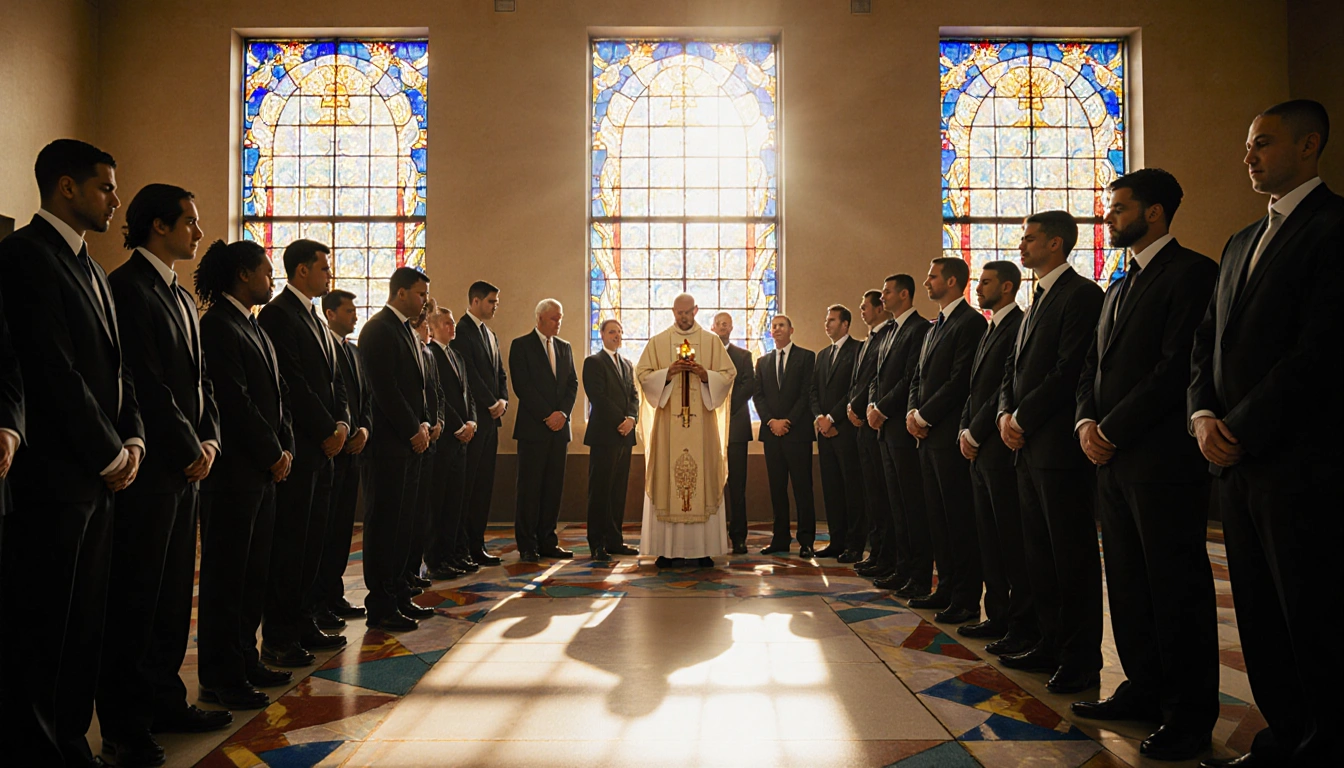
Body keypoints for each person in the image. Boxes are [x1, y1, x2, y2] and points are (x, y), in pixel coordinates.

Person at [1189, 100, 1342, 768]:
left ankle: (1325, 741)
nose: (1248, 156)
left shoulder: (1335, 227)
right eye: (1248, 145)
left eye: (1263, 144)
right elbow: (1206, 345)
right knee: (1256, 610)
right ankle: (1281, 735)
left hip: (1298, 458)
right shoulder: (1242, 241)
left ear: (1310, 146)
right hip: (1235, 462)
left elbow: (1321, 348)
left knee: (1311, 609)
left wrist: (1242, 425)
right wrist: (1201, 415)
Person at [0, 139, 145, 766]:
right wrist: (107, 451)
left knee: (85, 621)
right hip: (56, 476)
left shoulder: (88, 262)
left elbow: (118, 368)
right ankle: (37, 746)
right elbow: (51, 370)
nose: (116, 198)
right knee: (43, 622)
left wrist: (133, 435)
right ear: (67, 187)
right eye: (106, 187)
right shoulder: (26, 256)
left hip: (99, 475)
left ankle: (67, 738)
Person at [1070, 168, 1220, 761]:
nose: (1109, 217)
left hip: (1161, 460)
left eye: (1119, 208)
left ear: (1154, 213)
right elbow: (1090, 366)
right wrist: (1086, 422)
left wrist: (1111, 427)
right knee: (1129, 583)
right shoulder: (1118, 286)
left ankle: (1188, 713)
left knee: (1174, 587)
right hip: (1111, 460)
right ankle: (1142, 687)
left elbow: (1176, 365)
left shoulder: (1192, 273)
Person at [99, 185, 230, 767]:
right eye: (190, 223)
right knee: (138, 598)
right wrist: (185, 445)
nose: (199, 233)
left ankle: (165, 699)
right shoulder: (128, 288)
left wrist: (209, 438)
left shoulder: (177, 292)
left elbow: (201, 381)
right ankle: (126, 724)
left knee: (176, 597)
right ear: (158, 226)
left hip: (186, 468)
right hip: (152, 469)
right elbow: (145, 383)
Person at [996, 210, 1105, 695]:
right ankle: (1048, 640)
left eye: (1030, 239)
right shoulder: (1034, 297)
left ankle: (1080, 658)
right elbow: (1012, 370)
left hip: (1058, 447)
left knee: (1071, 558)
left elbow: (1068, 370)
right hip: (1026, 447)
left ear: (1057, 244)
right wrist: (1003, 413)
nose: (1022, 247)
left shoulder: (1082, 295)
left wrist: (1022, 417)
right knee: (1038, 555)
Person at [194, 239, 293, 712]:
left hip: (261, 472)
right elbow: (232, 401)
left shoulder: (250, 324)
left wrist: (284, 445)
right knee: (226, 578)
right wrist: (272, 451)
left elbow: (277, 394)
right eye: (267, 272)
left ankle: (245, 658)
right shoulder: (217, 324)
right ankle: (220, 674)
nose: (272, 280)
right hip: (234, 472)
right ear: (242, 274)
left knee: (254, 574)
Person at [257, 239, 349, 667]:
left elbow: (335, 381)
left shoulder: (313, 314)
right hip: (305, 446)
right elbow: (292, 383)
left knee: (315, 541)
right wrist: (327, 429)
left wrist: (343, 424)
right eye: (323, 267)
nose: (329, 274)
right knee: (291, 546)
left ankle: (305, 617)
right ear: (301, 271)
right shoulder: (279, 315)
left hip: (327, 448)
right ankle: (279, 634)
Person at [957, 261, 1035, 654]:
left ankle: (1019, 624)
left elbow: (1002, 390)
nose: (979, 287)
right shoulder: (990, 327)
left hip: (998, 449)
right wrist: (963, 429)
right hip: (978, 448)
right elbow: (974, 389)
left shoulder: (1017, 324)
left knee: (1010, 543)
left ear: (1007, 287)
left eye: (985, 282)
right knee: (989, 540)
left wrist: (976, 429)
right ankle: (998, 616)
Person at [906, 257, 986, 623]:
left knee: (957, 519)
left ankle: (966, 597)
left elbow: (959, 381)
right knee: (937, 517)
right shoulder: (935, 325)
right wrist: (912, 411)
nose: (927, 282)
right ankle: (946, 587)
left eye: (932, 276)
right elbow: (917, 378)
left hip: (946, 435)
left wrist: (925, 415)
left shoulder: (969, 323)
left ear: (952, 281)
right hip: (926, 436)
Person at [634, 293, 736, 568]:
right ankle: (666, 550)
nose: (683, 317)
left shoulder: (712, 342)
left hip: (702, 426)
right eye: (678, 312)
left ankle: (702, 550)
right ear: (673, 312)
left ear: (696, 310)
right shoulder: (658, 342)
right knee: (668, 481)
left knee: (702, 481)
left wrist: (705, 376)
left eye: (687, 312)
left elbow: (728, 374)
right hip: (669, 425)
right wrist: (667, 374)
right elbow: (642, 374)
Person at [360, 267, 434, 632]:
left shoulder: (405, 329)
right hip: (389, 445)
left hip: (410, 443)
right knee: (386, 524)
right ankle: (381, 604)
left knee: (405, 524)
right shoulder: (378, 329)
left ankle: (400, 594)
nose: (424, 302)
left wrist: (422, 425)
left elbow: (416, 388)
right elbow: (384, 388)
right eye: (420, 294)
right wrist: (411, 428)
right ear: (401, 292)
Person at [866, 275, 931, 597]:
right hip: (885, 429)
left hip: (901, 430)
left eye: (887, 291)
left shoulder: (919, 328)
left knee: (911, 505)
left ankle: (918, 574)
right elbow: (878, 376)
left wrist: (883, 408)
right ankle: (902, 568)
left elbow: (909, 377)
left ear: (904, 295)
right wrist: (873, 405)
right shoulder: (890, 330)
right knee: (896, 506)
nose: (882, 295)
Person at [311, 289, 370, 628]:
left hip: (355, 451)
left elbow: (366, 397)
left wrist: (364, 430)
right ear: (330, 313)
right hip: (331, 452)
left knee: (342, 532)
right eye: (349, 311)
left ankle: (334, 594)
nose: (355, 316)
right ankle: (318, 602)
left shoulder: (355, 351)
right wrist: (341, 431)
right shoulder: (324, 345)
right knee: (324, 532)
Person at [509, 298, 577, 562]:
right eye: (553, 318)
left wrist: (563, 414)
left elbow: (572, 383)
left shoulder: (564, 347)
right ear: (539, 319)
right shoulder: (521, 345)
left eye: (560, 318)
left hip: (559, 430)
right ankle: (527, 544)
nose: (558, 322)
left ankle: (548, 540)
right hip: (533, 429)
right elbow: (522, 386)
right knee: (529, 488)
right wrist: (547, 415)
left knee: (553, 488)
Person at [451, 281, 508, 567]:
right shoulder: (461, 331)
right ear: (475, 301)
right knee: (469, 486)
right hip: (475, 418)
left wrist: (504, 400)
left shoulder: (490, 334)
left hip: (492, 419)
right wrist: (490, 402)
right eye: (490, 301)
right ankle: (462, 547)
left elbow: (500, 372)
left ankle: (478, 544)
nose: (495, 306)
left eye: (496, 301)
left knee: (484, 485)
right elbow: (469, 374)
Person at [754, 315, 817, 557]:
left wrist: (787, 421)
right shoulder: (763, 361)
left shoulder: (805, 357)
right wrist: (771, 422)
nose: (777, 329)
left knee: (803, 487)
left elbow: (805, 393)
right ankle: (780, 538)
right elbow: (758, 396)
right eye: (774, 326)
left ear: (791, 329)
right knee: (777, 488)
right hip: (772, 434)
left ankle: (806, 540)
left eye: (782, 325)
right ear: (771, 332)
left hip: (797, 433)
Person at [424, 306, 477, 578]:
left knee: (457, 502)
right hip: (445, 439)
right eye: (446, 323)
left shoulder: (457, 356)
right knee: (439, 503)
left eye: (453, 322)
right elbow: (439, 396)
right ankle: (436, 559)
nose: (452, 327)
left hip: (462, 440)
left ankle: (454, 553)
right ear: (432, 328)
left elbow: (468, 396)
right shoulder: (430, 354)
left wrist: (473, 421)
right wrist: (458, 425)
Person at [583, 318, 640, 561]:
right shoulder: (593, 362)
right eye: (612, 332)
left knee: (618, 490)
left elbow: (633, 395)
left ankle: (615, 540)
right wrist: (620, 420)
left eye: (619, 332)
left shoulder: (627, 364)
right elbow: (598, 396)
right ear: (602, 334)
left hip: (625, 436)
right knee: (601, 491)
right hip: (605, 435)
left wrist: (632, 418)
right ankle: (597, 543)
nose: (617, 336)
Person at [809, 305, 862, 558]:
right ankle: (836, 541)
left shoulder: (857, 350)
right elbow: (813, 392)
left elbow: (854, 390)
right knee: (831, 489)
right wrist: (820, 418)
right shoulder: (822, 355)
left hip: (845, 431)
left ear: (845, 324)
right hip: (825, 432)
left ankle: (854, 544)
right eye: (826, 319)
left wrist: (832, 418)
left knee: (850, 489)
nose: (826, 324)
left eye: (832, 320)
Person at [847, 290, 893, 567]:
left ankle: (885, 553)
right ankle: (875, 552)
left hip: (875, 421)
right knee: (870, 493)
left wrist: (861, 405)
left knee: (882, 494)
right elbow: (858, 380)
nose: (862, 311)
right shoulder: (868, 340)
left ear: (878, 308)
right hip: (861, 421)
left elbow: (876, 378)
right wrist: (851, 407)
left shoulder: (887, 336)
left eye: (865, 307)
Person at [406, 302, 446, 584]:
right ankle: (406, 572)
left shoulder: (429, 355)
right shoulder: (409, 352)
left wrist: (438, 422)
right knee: (408, 515)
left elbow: (437, 393)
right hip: (411, 439)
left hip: (430, 437)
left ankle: (414, 568)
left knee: (422, 511)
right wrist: (418, 426)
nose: (428, 331)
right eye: (424, 327)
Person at [711, 312, 755, 554]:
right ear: (713, 326)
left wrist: (725, 408)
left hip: (736, 429)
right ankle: (712, 535)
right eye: (718, 323)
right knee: (711, 485)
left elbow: (748, 385)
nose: (722, 326)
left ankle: (739, 537)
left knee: (737, 486)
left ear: (731, 327)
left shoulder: (743, 356)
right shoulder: (705, 356)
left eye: (726, 323)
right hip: (709, 431)